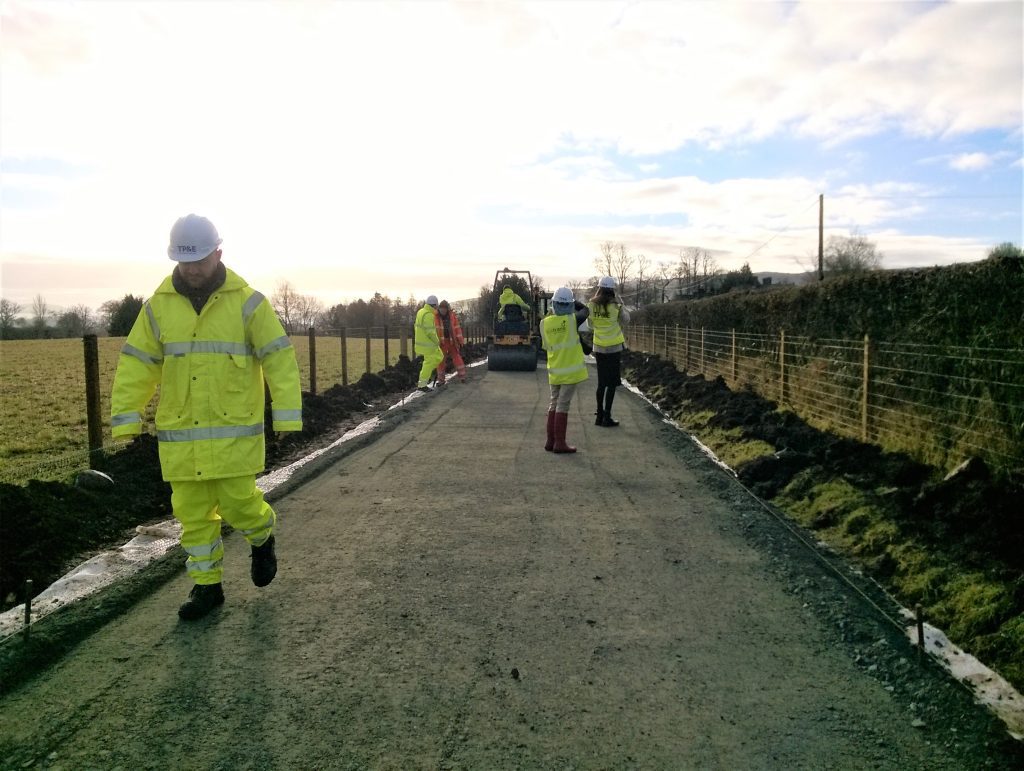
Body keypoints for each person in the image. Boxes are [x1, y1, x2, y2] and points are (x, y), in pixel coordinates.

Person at [110, 214, 302, 621]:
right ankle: (207, 587)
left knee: (239, 505)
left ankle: (262, 533)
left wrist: (286, 417)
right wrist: (127, 419)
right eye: (185, 261)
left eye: (200, 259)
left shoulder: (248, 303)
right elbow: (137, 364)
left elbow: (279, 358)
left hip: (235, 434)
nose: (193, 269)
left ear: (218, 252)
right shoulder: (157, 309)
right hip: (181, 436)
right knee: (192, 517)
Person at [540, 287, 589, 453]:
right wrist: (574, 301)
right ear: (570, 305)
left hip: (554, 370)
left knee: (553, 402)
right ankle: (560, 443)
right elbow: (586, 310)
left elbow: (546, 346)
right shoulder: (572, 320)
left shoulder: (544, 323)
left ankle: (550, 441)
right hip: (570, 371)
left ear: (553, 304)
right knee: (563, 405)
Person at [587, 276, 631, 427]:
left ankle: (599, 416)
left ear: (599, 288)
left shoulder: (591, 306)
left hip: (599, 347)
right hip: (614, 348)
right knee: (611, 383)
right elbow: (626, 320)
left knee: (601, 383)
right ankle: (607, 416)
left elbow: (590, 325)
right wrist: (621, 303)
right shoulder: (616, 306)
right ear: (612, 290)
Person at [415, 295, 443, 392]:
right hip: (428, 345)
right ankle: (422, 384)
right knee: (429, 363)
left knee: (439, 356)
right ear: (435, 305)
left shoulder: (421, 312)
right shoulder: (428, 315)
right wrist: (437, 341)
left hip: (424, 344)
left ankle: (426, 376)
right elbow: (430, 332)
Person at [435, 300, 467, 384]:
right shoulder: (435, 316)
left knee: (457, 358)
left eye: (444, 308)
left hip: (452, 341)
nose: (443, 310)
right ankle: (441, 380)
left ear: (447, 308)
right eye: (442, 308)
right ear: (439, 308)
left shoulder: (452, 316)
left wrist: (460, 341)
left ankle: (462, 376)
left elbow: (457, 329)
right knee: (441, 361)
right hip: (441, 342)